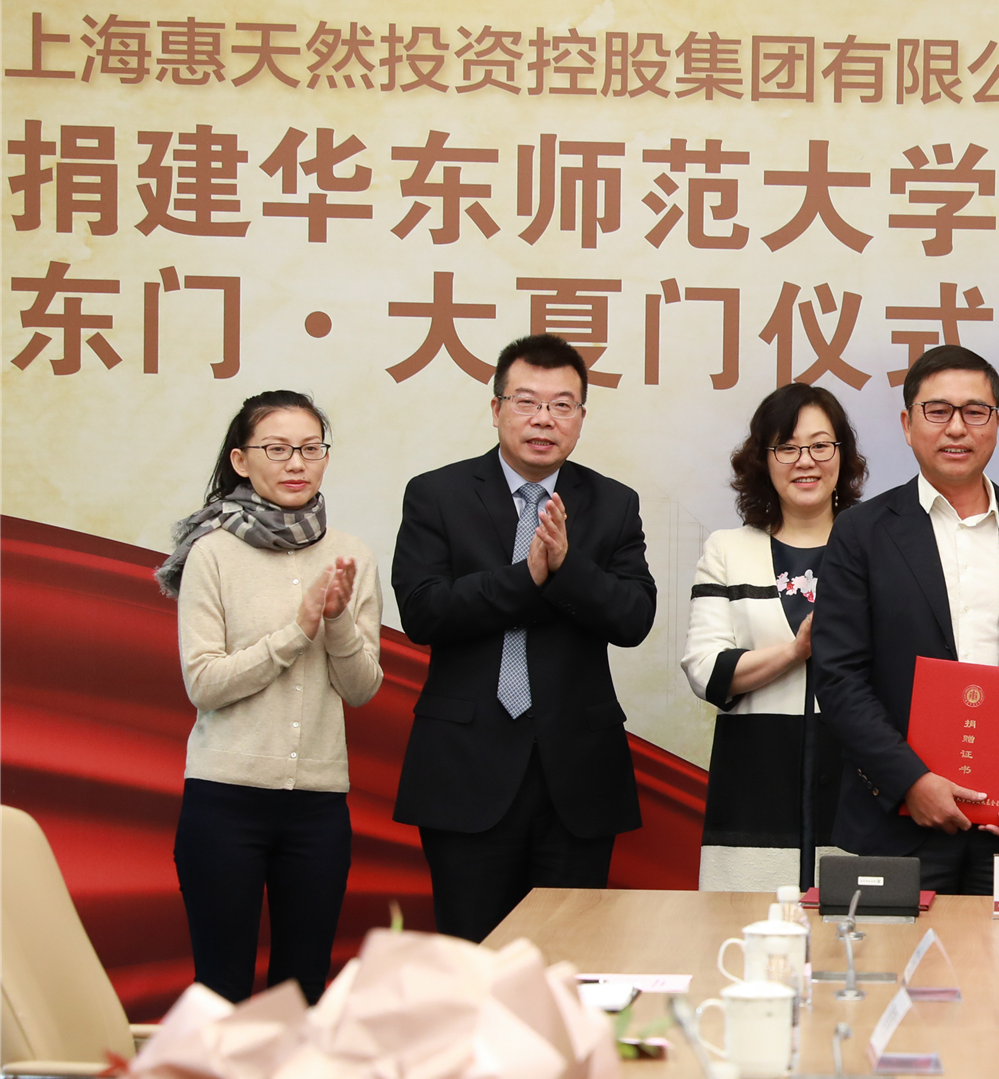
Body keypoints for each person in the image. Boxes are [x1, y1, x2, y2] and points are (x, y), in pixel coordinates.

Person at [392, 334, 657, 943]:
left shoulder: (613, 504)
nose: (544, 419)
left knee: (568, 961)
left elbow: (634, 618)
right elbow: (424, 613)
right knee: (473, 960)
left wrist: (567, 568)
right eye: (527, 402)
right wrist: (527, 577)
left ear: (581, 417)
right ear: (496, 409)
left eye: (562, 405)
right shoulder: (437, 494)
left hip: (578, 777)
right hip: (466, 770)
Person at [814, 344, 999, 894]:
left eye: (974, 411)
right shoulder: (861, 533)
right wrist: (909, 780)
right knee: (887, 952)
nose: (956, 428)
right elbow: (839, 676)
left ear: (996, 423)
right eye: (937, 411)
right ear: (907, 425)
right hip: (897, 822)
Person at [157, 390, 382, 1003]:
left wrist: (335, 622)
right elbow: (204, 683)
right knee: (221, 989)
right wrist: (298, 630)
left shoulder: (353, 555)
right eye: (277, 449)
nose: (296, 463)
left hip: (318, 806)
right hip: (224, 800)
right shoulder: (211, 553)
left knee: (302, 990)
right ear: (241, 460)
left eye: (311, 449)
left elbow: (362, 689)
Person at [682, 384, 867, 891]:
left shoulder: (876, 548)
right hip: (755, 786)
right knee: (743, 930)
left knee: (854, 930)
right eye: (787, 447)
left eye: (820, 445)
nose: (805, 461)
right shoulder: (727, 550)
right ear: (763, 460)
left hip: (856, 785)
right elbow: (704, 669)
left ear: (843, 455)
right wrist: (794, 651)